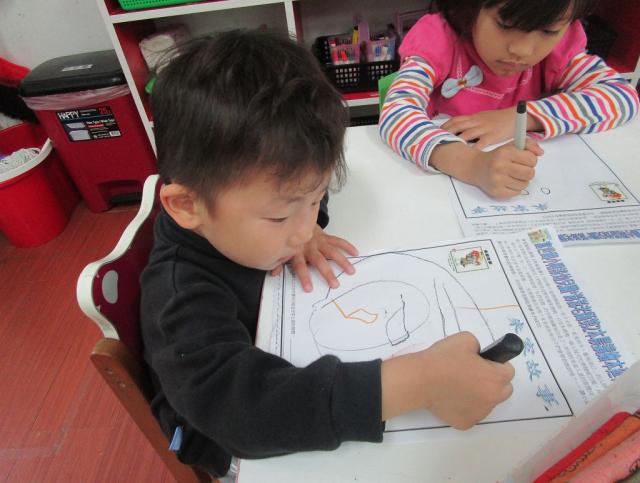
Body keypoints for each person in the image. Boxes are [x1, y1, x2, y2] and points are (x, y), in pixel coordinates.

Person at [141, 29, 515, 478]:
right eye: (280, 217)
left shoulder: (257, 200)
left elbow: (301, 192)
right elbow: (243, 414)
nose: (303, 230)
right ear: (188, 205)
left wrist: (305, 218)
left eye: (315, 198)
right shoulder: (179, 294)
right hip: (231, 443)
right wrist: (420, 381)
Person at [379, 0, 640, 199]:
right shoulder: (439, 39)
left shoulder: (559, 51)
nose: (521, 50)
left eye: (548, 31)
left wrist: (521, 118)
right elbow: (396, 112)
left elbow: (621, 96)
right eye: (505, 25)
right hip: (440, 186)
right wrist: (471, 165)